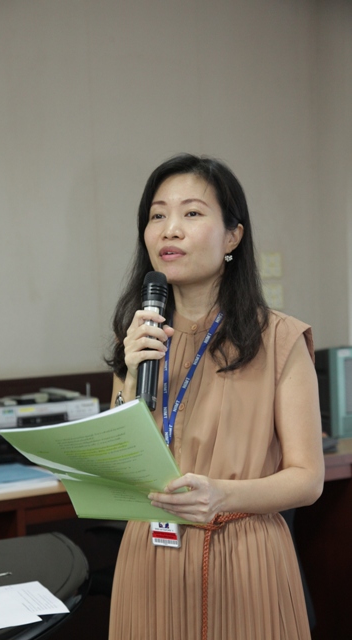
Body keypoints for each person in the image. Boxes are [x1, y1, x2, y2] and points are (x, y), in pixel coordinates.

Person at [106, 153, 324, 640]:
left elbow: (308, 479)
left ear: (232, 237)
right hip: (148, 558)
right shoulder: (139, 336)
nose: (170, 230)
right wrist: (131, 371)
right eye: (157, 215)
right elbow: (120, 465)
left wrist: (222, 495)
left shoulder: (279, 339)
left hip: (244, 558)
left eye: (192, 213)